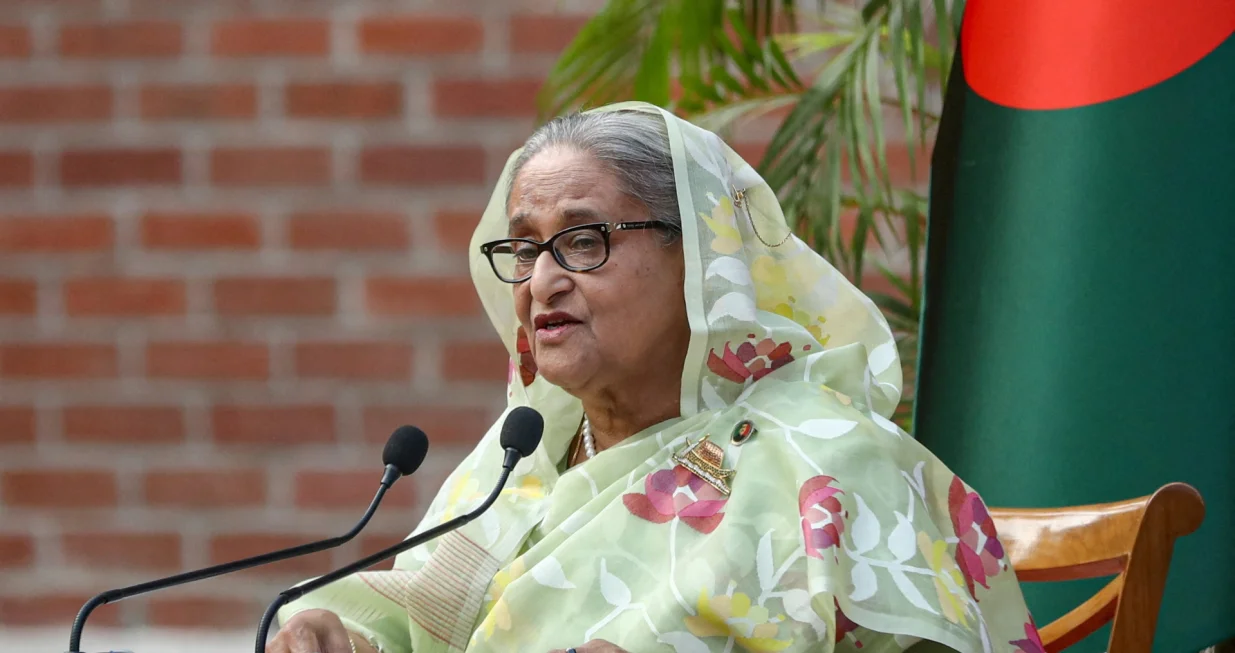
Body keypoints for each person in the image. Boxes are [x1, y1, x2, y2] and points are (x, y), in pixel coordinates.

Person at [266, 102, 1042, 653]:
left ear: (701, 261)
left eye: (583, 240)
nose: (542, 281)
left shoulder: (826, 458)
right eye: (526, 249)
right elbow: (422, 619)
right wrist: (344, 636)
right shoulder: (518, 459)